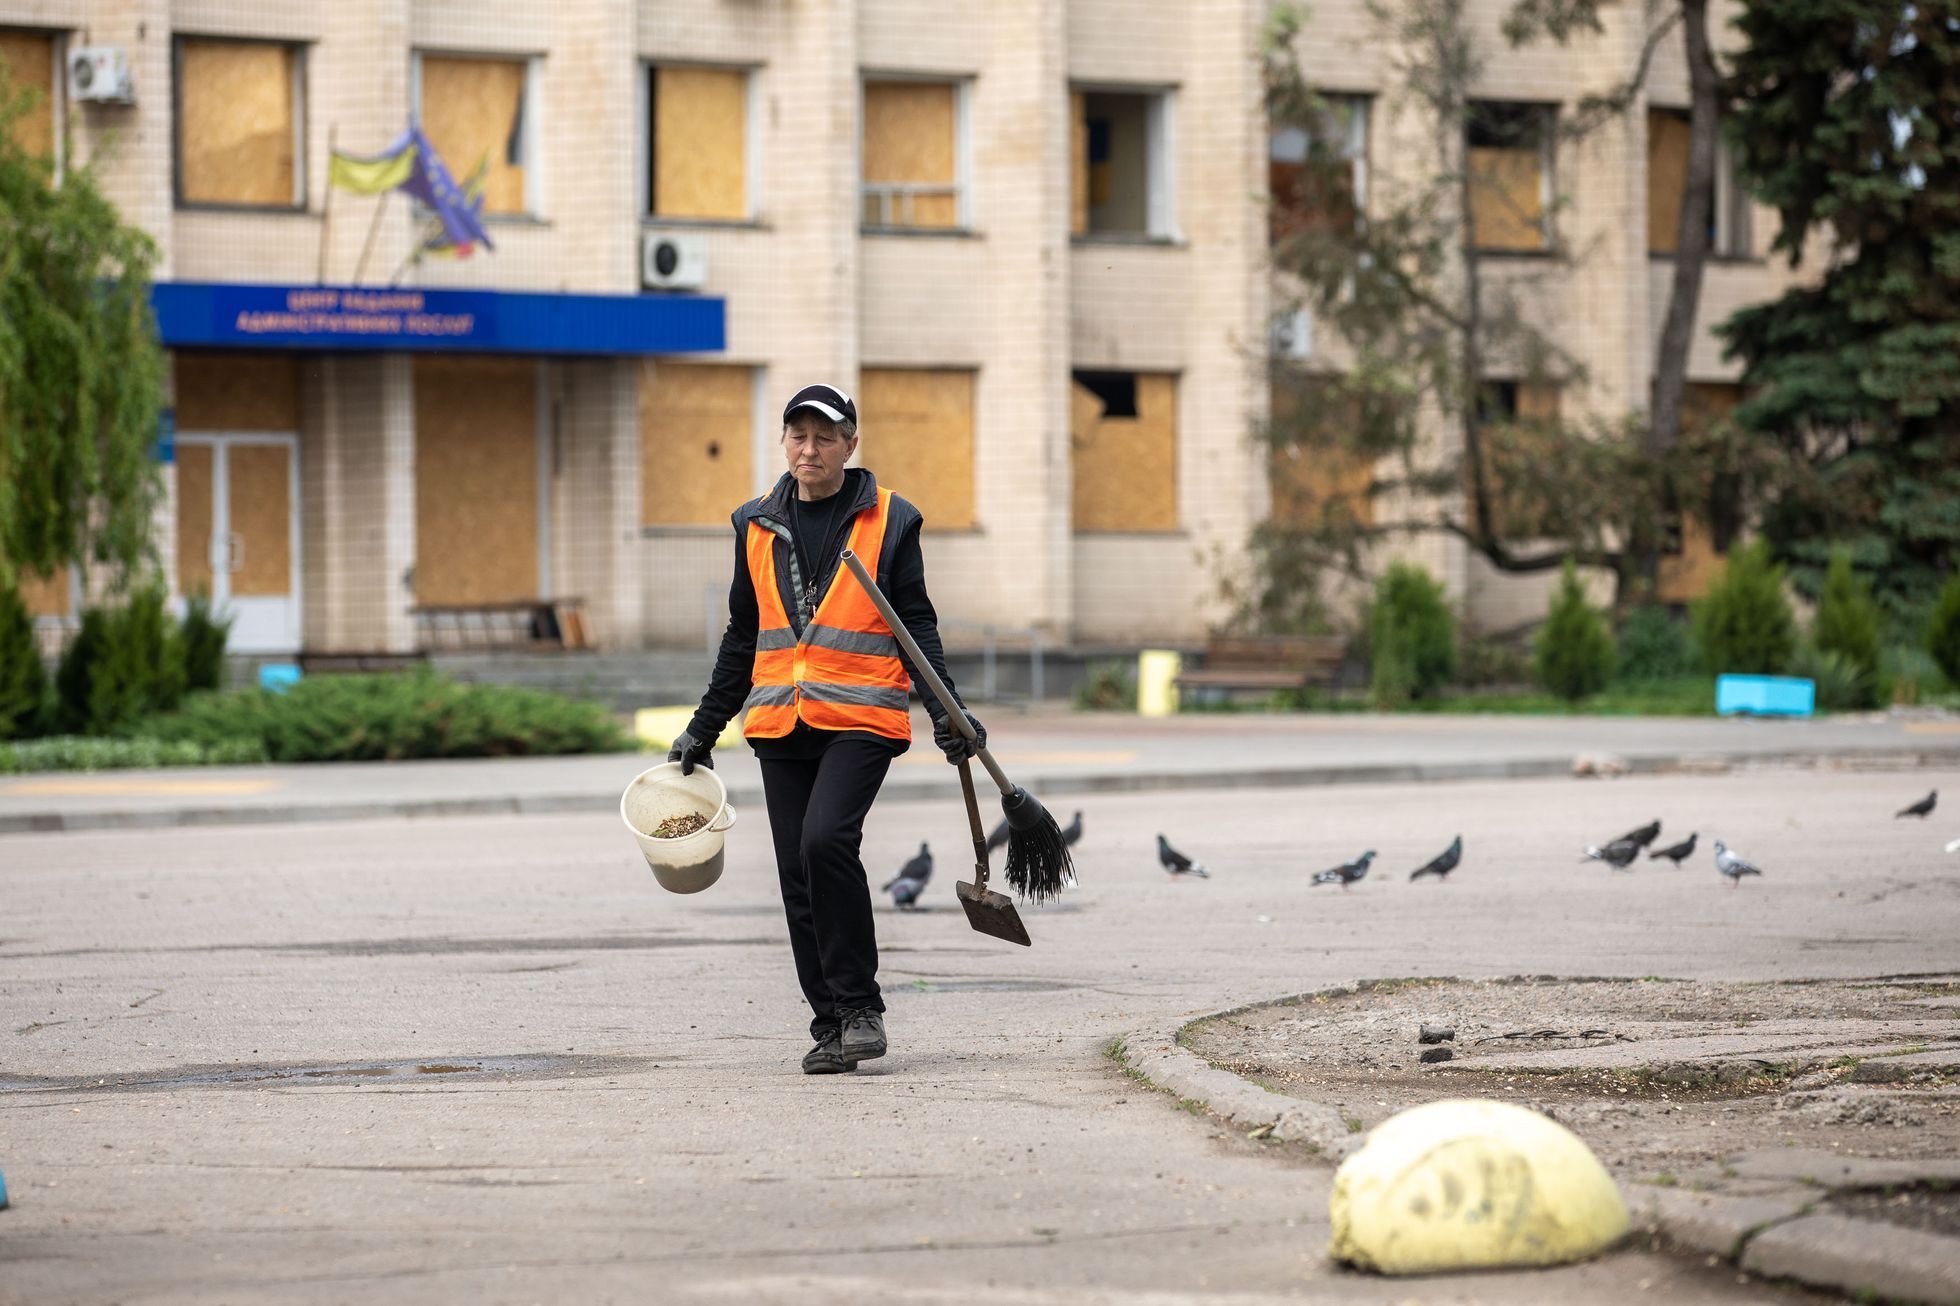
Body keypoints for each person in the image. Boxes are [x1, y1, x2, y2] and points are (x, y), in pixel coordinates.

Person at [668, 382, 985, 1075]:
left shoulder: (890, 520)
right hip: (782, 718)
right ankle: (832, 1023)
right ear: (785, 442)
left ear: (851, 443)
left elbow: (915, 624)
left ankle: (861, 1004)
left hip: (862, 715)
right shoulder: (754, 522)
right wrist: (704, 726)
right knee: (795, 872)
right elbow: (742, 635)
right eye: (798, 435)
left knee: (825, 840)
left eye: (824, 436)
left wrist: (946, 710)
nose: (809, 448)